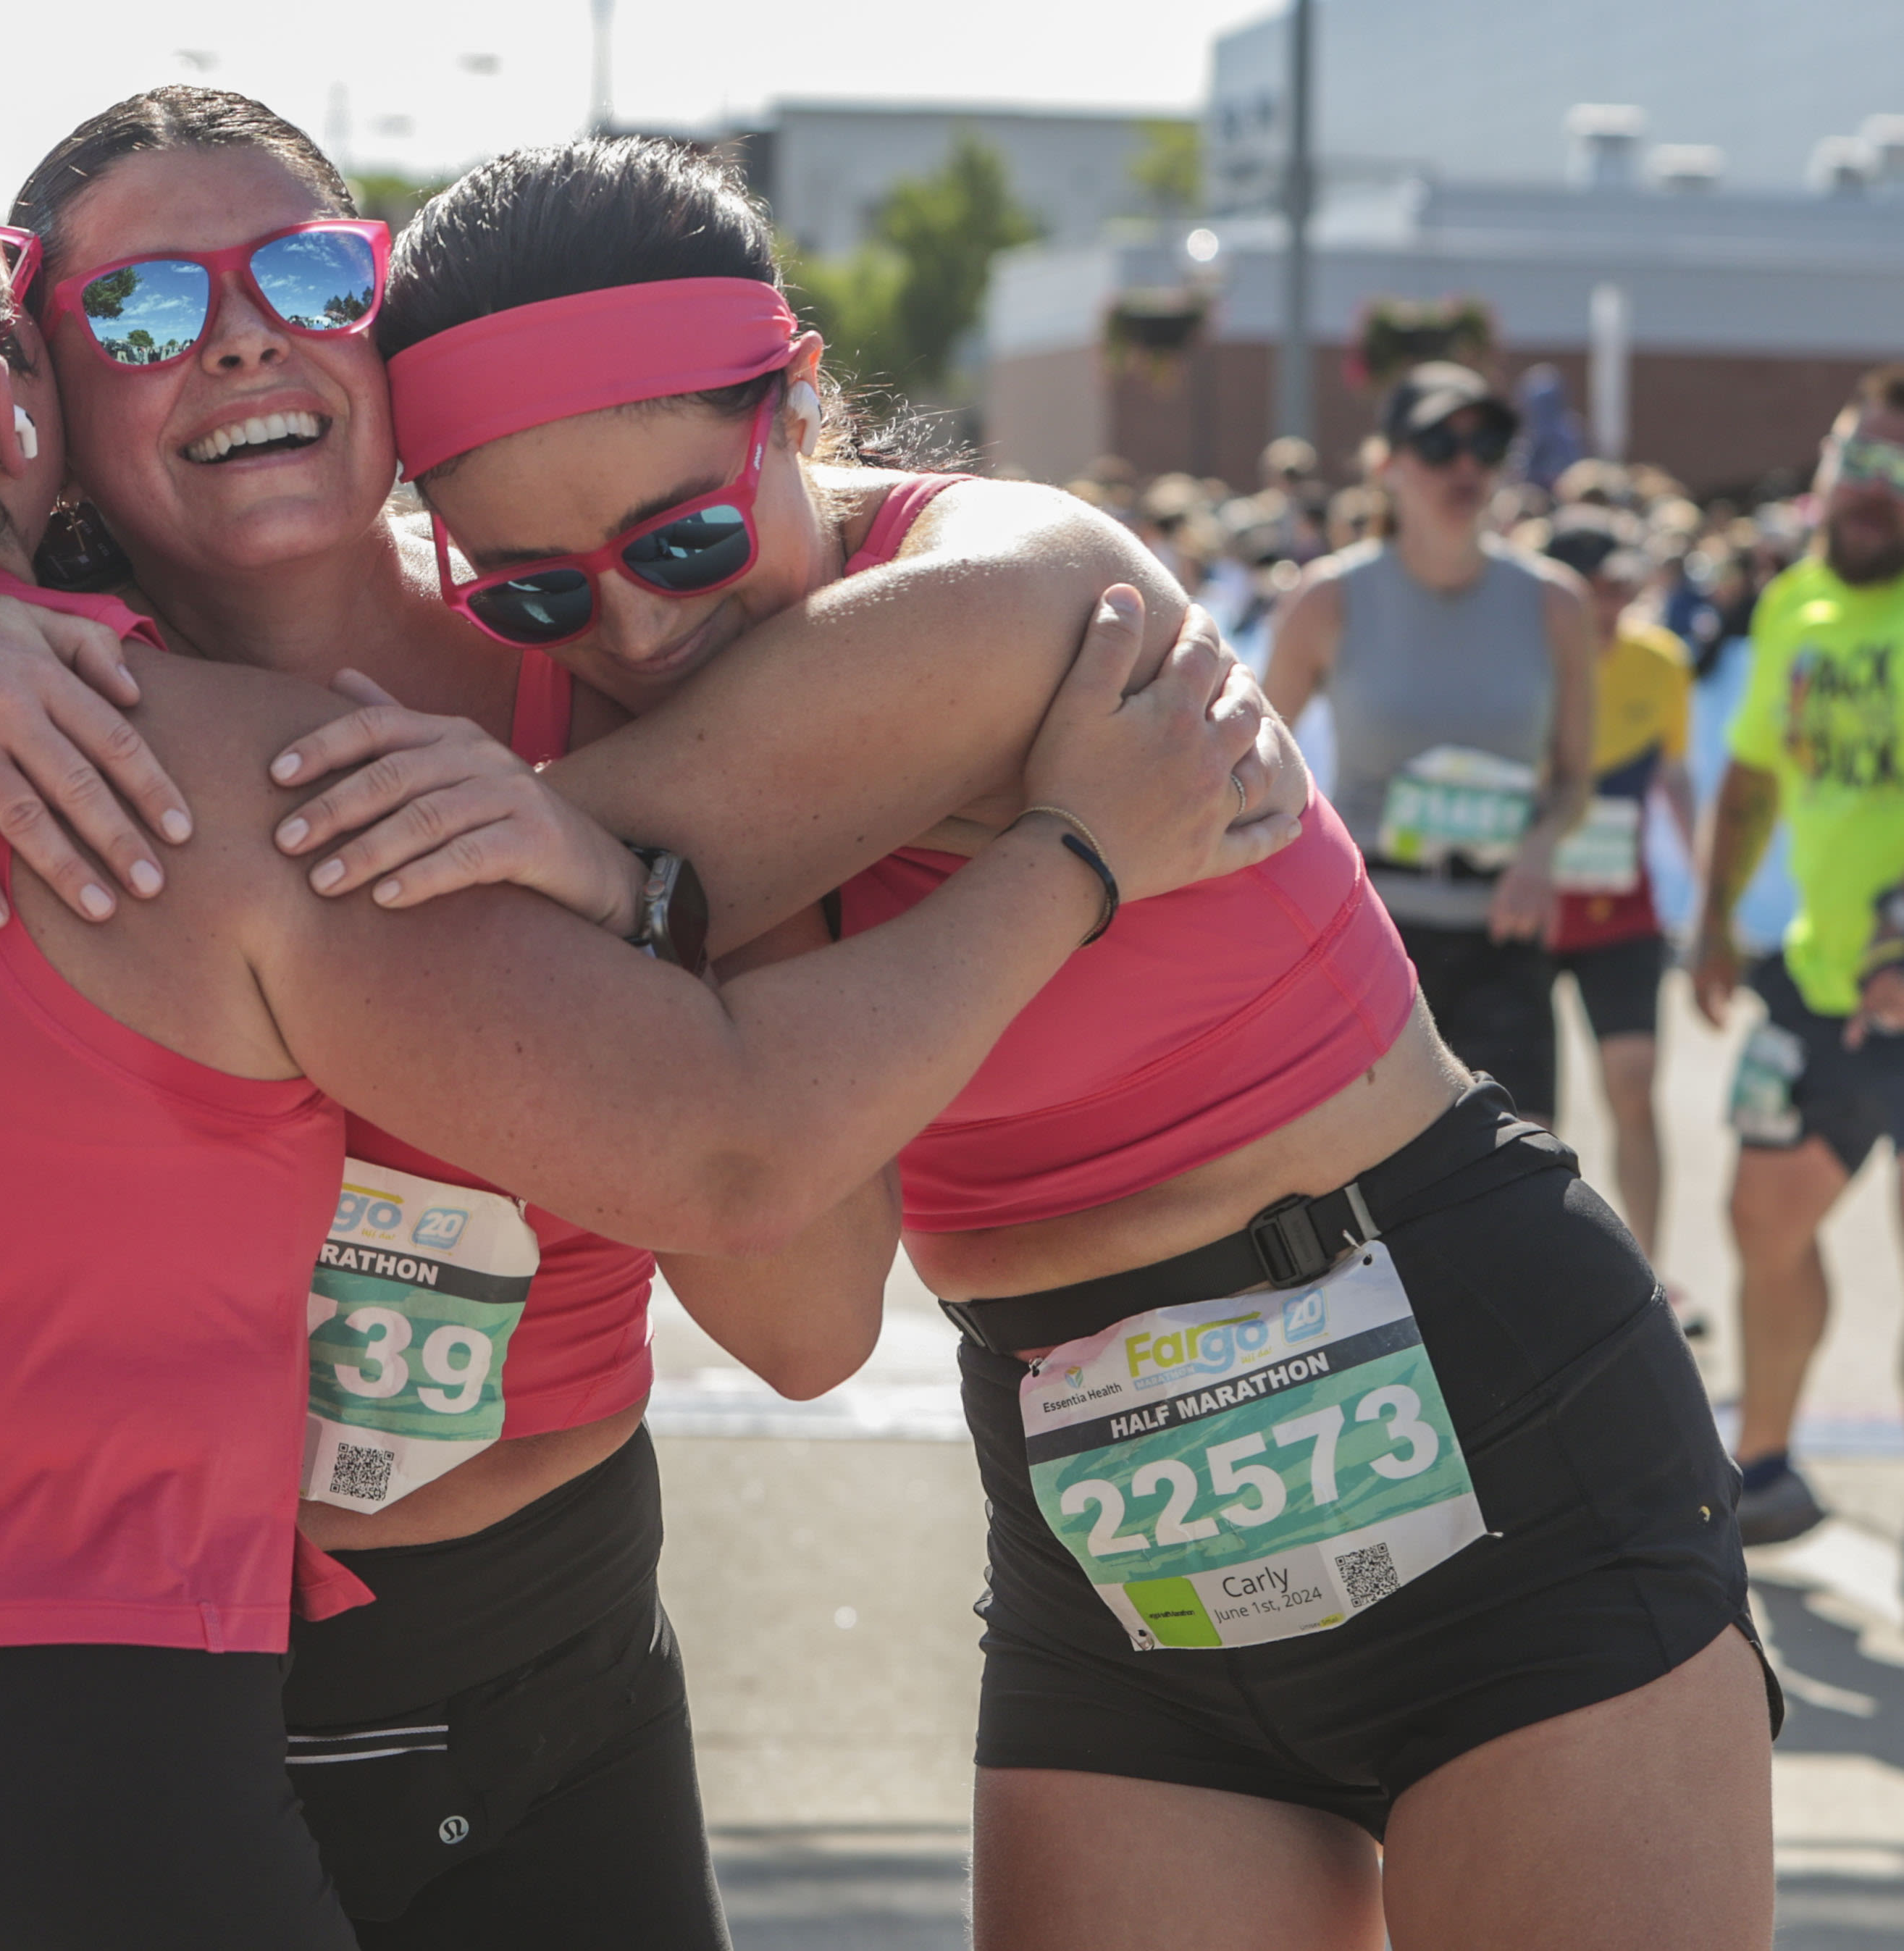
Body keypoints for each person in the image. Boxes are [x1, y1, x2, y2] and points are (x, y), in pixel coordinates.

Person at [0, 88, 1278, 1950]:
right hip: (155, 1698)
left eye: (303, 269)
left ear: (383, 325)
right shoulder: (95, 733)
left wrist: (643, 861)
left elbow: (797, 1317)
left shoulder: (614, 678)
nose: (234, 338)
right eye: (135, 312)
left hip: (495, 1661)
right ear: (24, 393)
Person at [295, 138, 1766, 1950]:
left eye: (684, 533)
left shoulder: (1019, 581)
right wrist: (646, 903)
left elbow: (408, 911)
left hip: (1478, 1403)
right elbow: (800, 1315)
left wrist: (507, 887)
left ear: (805, 403)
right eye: (527, 593)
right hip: (1102, 1507)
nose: (637, 621)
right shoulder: (660, 817)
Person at [1264, 361, 1598, 1128]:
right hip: (1366, 941)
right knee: (1361, 1218)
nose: (1465, 466)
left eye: (1485, 443)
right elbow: (1249, 763)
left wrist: (1542, 848)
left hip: (1502, 943)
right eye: (1437, 444)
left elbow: (1575, 780)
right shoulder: (1327, 599)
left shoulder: (1554, 604)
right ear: (1385, 463)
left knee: (1517, 1201)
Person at [1691, 364, 1904, 1547]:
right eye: (1855, 463)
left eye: (1896, 473)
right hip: (1818, 979)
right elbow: (1758, 771)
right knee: (1761, 1214)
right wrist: (1716, 918)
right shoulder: (1796, 605)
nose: (1871, 492)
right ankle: (1765, 1463)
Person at [1539, 519, 1697, 1306]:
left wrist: (1705, 882)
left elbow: (1673, 775)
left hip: (1622, 909)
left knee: (1632, 1084)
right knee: (1521, 1109)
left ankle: (1650, 1271)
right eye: (1595, 589)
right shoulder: (1523, 657)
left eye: (1620, 587)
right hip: (1528, 905)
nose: (1612, 605)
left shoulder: (1659, 661)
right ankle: (1542, 1279)